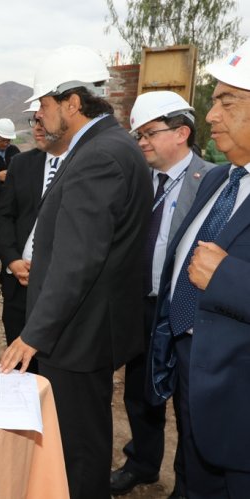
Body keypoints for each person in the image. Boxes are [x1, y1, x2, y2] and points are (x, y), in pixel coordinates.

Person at [0, 45, 152, 499]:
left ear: (72, 102)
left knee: (78, 451)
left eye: (43, 106)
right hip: (87, 328)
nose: (39, 118)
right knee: (81, 440)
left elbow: (76, 260)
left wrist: (34, 334)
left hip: (79, 335)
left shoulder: (99, 156)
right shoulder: (110, 146)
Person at [148, 40, 250, 498]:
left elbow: (217, 273)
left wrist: (226, 278)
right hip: (192, 366)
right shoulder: (216, 177)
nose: (210, 115)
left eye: (227, 102)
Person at [112, 91, 213, 498]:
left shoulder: (212, 182)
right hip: (140, 305)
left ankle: (186, 483)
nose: (142, 143)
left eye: (150, 133)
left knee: (188, 403)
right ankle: (142, 463)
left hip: (187, 311)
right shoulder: (139, 180)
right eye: (138, 135)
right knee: (140, 393)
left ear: (182, 133)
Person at [0, 100, 67, 374]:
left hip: (57, 289)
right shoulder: (21, 164)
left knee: (52, 368)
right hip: (19, 284)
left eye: (42, 120)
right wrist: (12, 261)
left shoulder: (82, 165)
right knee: (18, 366)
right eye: (33, 122)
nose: (37, 127)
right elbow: (4, 216)